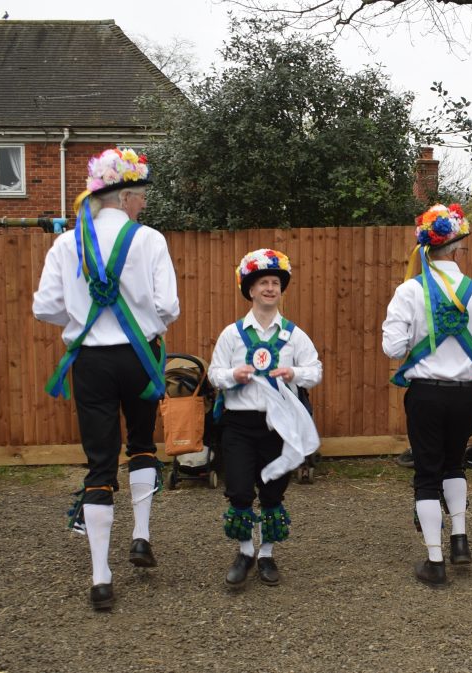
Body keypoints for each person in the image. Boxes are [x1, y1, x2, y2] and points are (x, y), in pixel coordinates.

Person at [33, 148, 180, 611]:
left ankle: (100, 576)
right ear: (125, 196)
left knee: (99, 463)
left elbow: (45, 308)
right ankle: (141, 535)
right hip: (139, 356)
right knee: (142, 443)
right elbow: (168, 307)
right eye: (141, 196)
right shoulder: (149, 240)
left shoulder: (67, 243)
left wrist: (84, 317)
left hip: (91, 362)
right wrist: (139, 319)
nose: (144, 204)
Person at [382, 204, 472, 587]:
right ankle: (460, 540)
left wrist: (420, 336)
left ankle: (435, 562)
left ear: (424, 246)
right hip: (466, 395)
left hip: (426, 394)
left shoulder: (409, 291)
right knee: (454, 464)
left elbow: (393, 348)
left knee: (427, 474)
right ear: (458, 248)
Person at [207, 249, 322, 587]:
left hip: (279, 426)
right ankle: (245, 552)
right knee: (239, 490)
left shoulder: (293, 335)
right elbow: (214, 374)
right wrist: (233, 375)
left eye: (275, 283)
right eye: (263, 283)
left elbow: (315, 371)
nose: (270, 288)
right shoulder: (232, 334)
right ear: (251, 289)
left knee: (272, 493)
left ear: (281, 289)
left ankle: (267, 555)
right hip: (239, 424)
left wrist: (293, 373)